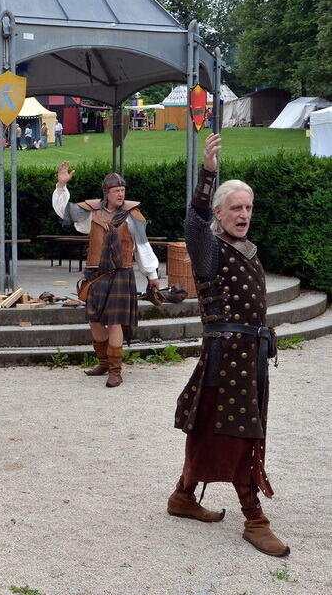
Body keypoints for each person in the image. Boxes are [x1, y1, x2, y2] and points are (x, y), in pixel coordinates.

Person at [166, 133, 288, 557]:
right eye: (235, 207)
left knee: (208, 431)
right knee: (238, 434)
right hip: (225, 357)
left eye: (248, 207)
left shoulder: (247, 249)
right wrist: (207, 174)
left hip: (249, 356)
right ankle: (254, 518)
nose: (243, 214)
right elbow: (194, 221)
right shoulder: (209, 247)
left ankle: (183, 496)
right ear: (219, 212)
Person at [52, 163, 160, 387]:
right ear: (107, 193)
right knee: (94, 321)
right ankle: (103, 362)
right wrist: (61, 186)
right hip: (96, 274)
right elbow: (65, 212)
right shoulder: (91, 213)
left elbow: (142, 245)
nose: (121, 194)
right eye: (116, 191)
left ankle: (115, 370)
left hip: (121, 274)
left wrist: (152, 275)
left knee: (114, 323)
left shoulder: (132, 216)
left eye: (122, 190)